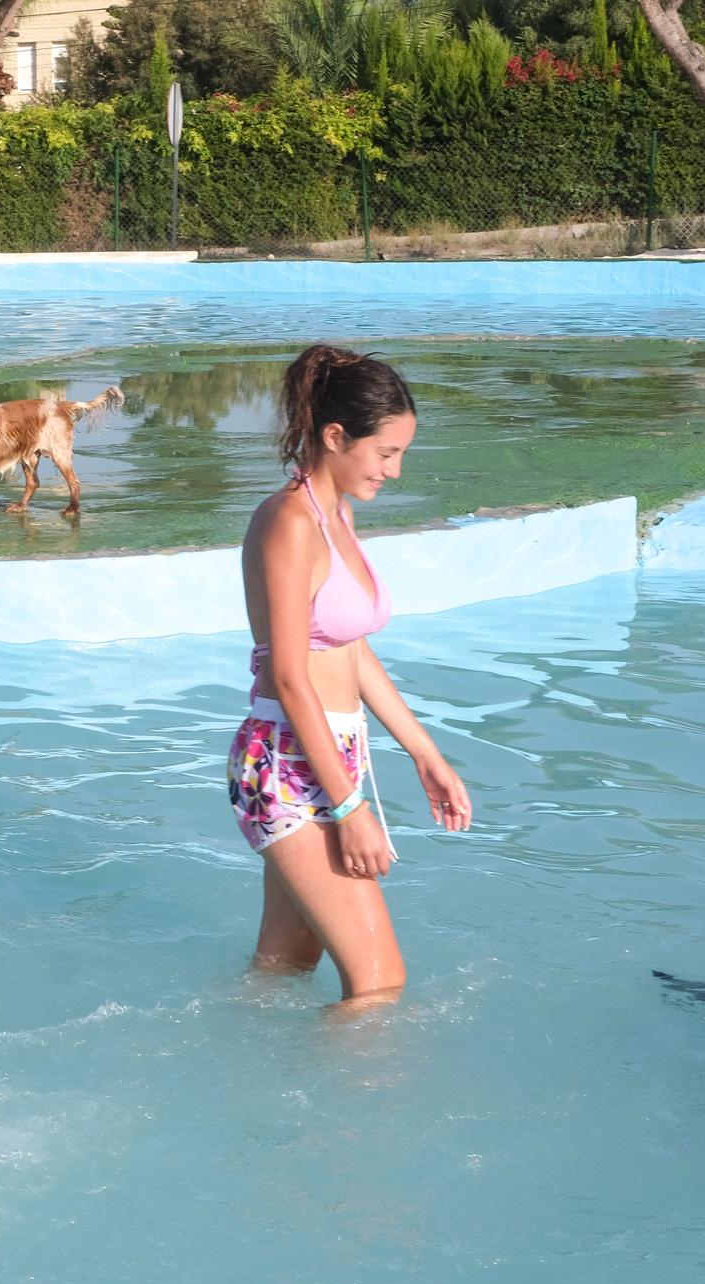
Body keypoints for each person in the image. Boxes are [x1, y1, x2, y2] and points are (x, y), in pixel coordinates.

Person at [227, 345, 472, 1011]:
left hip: (326, 756)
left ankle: (237, 1092)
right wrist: (350, 808)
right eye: (385, 453)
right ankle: (347, 1119)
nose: (395, 469)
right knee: (378, 982)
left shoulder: (338, 517)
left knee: (283, 968)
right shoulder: (289, 523)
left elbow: (351, 653)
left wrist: (426, 754)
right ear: (335, 437)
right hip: (286, 762)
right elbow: (290, 675)